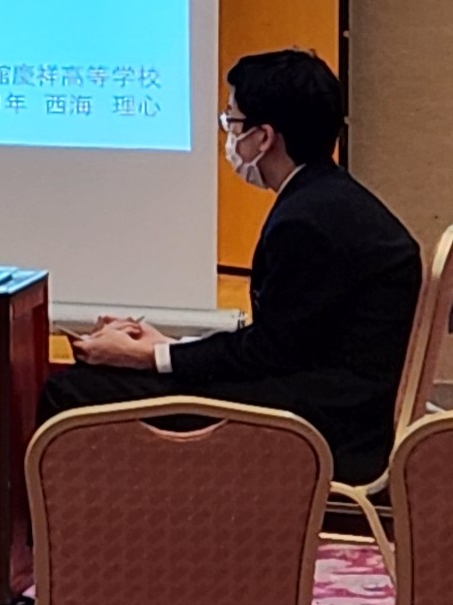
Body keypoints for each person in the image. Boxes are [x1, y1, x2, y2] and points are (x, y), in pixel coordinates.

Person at [47, 48, 423, 482]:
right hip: (332, 403)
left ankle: (83, 522)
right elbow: (283, 339)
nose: (227, 134)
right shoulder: (328, 199)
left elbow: (267, 353)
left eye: (232, 121)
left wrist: (150, 357)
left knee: (74, 392)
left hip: (323, 428)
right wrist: (166, 346)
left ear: (263, 138)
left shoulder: (307, 221)